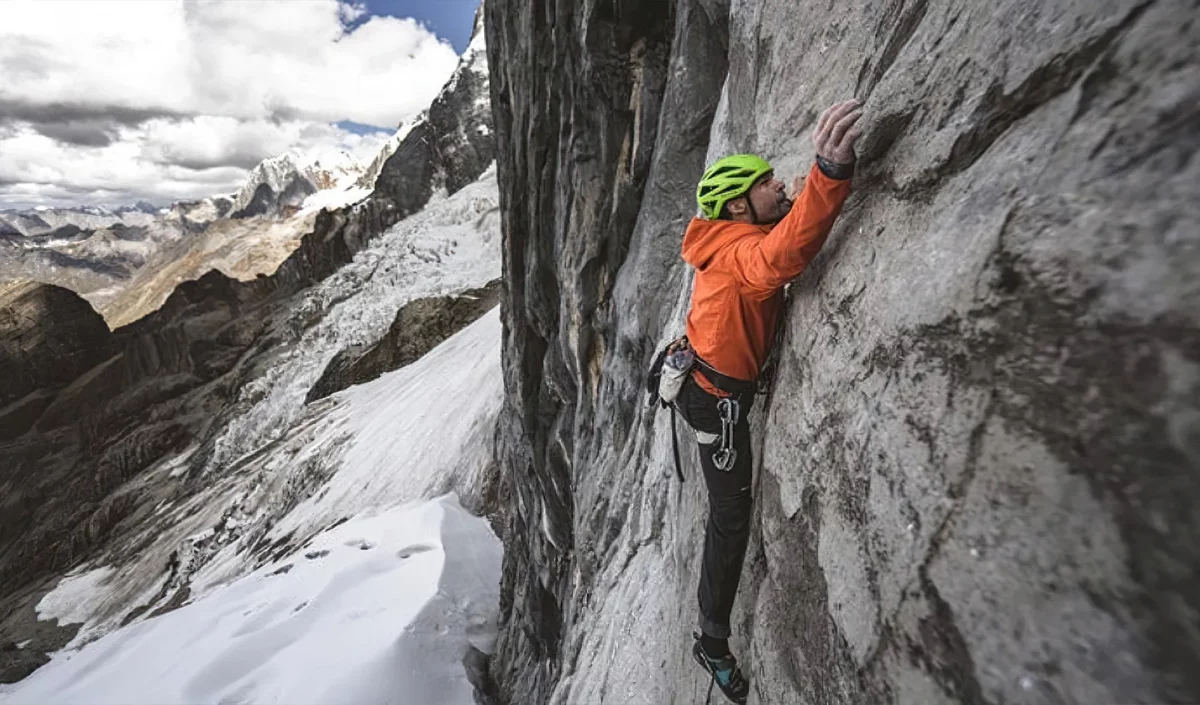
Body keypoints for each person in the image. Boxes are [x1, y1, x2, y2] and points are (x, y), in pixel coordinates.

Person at [679, 99, 864, 704]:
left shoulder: (730, 234)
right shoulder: (738, 250)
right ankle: (711, 640)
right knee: (729, 520)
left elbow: (773, 248)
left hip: (711, 384)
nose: (780, 185)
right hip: (716, 406)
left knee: (727, 516)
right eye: (767, 185)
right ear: (739, 205)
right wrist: (828, 174)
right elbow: (777, 259)